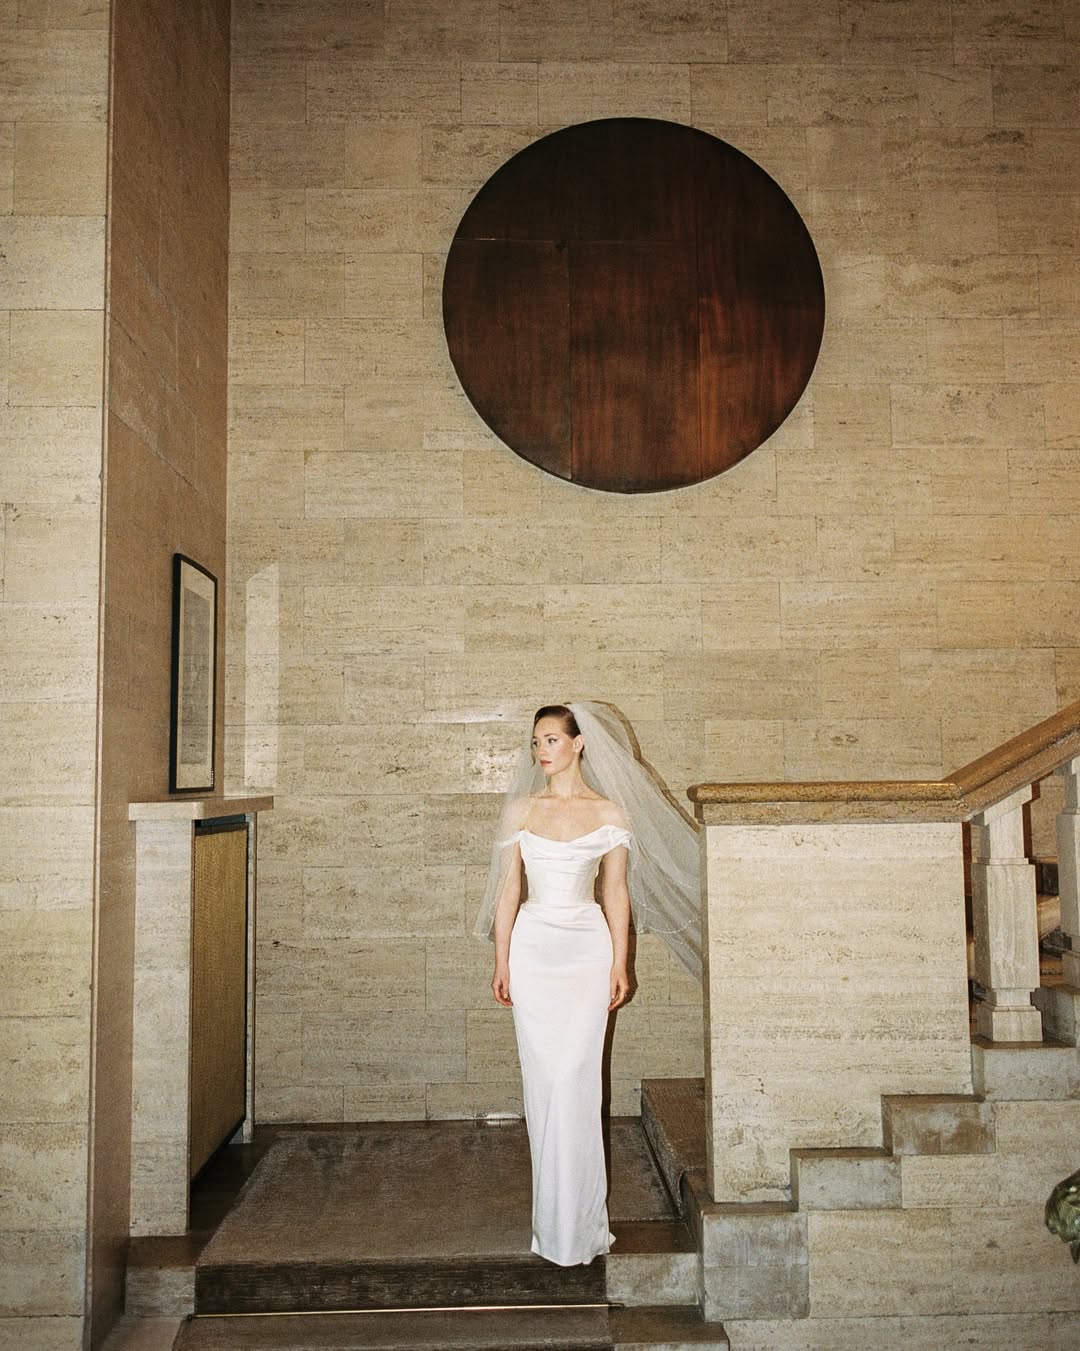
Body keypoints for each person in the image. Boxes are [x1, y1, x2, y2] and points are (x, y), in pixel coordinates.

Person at [474, 701, 702, 1268]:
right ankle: (552, 1223)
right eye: (536, 742)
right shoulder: (522, 810)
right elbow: (508, 891)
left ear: (578, 744)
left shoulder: (609, 811)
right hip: (533, 949)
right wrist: (502, 960)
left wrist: (621, 962)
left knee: (576, 1077)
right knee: (546, 1080)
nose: (541, 750)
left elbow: (615, 890)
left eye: (551, 739)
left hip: (585, 947)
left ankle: (581, 1225)